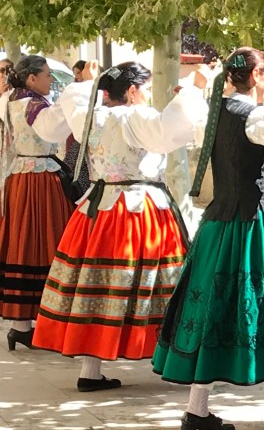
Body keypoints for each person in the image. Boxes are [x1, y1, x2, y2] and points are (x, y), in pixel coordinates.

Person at [152, 48, 264, 430]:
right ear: (256, 76)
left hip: (221, 223)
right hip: (254, 224)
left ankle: (196, 409)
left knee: (213, 313)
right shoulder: (255, 116)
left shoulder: (215, 111)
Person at [32, 62, 207, 390]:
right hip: (136, 206)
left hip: (97, 208)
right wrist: (193, 91)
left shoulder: (89, 115)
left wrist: (89, 79)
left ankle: (90, 370)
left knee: (94, 286)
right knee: (161, 282)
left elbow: (70, 100)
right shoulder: (133, 116)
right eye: (144, 87)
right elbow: (168, 132)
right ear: (131, 90)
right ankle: (181, 358)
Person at [0, 55, 79, 351]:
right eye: (47, 75)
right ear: (32, 78)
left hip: (19, 179)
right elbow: (57, 130)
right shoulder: (35, 105)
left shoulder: (8, 101)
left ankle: (21, 326)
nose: (51, 80)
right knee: (49, 243)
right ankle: (46, 323)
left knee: (22, 245)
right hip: (40, 179)